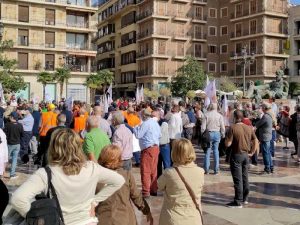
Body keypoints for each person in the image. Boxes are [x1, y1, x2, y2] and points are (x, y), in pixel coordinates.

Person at [11, 128, 125, 225]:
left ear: (53, 147)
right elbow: (119, 180)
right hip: (87, 221)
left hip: (61, 221)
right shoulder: (92, 168)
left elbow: (17, 199)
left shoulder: (46, 173)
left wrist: (36, 217)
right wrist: (95, 201)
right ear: (78, 147)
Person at [97, 145, 153, 225]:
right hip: (125, 219)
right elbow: (137, 197)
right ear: (119, 159)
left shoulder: (95, 177)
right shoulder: (126, 175)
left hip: (103, 219)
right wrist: (147, 211)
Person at [158, 139, 204, 225]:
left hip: (173, 219)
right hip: (194, 218)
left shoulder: (169, 173)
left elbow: (159, 186)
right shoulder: (200, 172)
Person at [225, 110, 258, 208]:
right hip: (246, 155)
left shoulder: (232, 128)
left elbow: (228, 143)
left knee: (238, 179)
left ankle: (238, 201)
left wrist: (226, 140)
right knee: (245, 177)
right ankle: (245, 198)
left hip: (237, 154)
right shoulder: (248, 127)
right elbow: (255, 140)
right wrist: (252, 152)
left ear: (235, 117)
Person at [134, 108, 161, 197]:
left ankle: (146, 191)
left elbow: (138, 135)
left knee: (145, 171)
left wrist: (136, 128)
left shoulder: (146, 124)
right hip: (155, 147)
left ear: (143, 116)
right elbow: (160, 135)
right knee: (153, 170)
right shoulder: (155, 123)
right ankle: (153, 189)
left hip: (148, 149)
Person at [201, 103, 225, 175]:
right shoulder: (220, 116)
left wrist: (202, 134)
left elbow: (203, 127)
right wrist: (223, 134)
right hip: (217, 133)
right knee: (216, 151)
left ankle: (207, 169)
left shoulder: (206, 115)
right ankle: (216, 169)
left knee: (207, 151)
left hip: (208, 133)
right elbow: (222, 127)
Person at [152, 110, 171, 178]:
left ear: (159, 116)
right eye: (152, 116)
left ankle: (168, 179)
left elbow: (160, 134)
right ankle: (158, 180)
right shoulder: (152, 123)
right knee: (157, 164)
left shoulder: (164, 123)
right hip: (156, 146)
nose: (152, 118)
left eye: (154, 116)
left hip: (164, 146)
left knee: (166, 164)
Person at [4, 111, 24, 179]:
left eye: (10, 116)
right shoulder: (20, 125)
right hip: (17, 144)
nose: (9, 117)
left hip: (9, 144)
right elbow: (22, 135)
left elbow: (4, 135)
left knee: (5, 159)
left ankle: (2, 172)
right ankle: (12, 174)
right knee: (14, 159)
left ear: (12, 117)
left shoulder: (7, 125)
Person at [255, 103, 274, 174]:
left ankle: (267, 167)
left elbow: (258, 124)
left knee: (265, 153)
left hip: (265, 136)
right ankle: (271, 167)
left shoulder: (265, 116)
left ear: (264, 108)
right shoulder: (269, 115)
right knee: (268, 152)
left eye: (262, 107)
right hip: (267, 135)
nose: (261, 109)